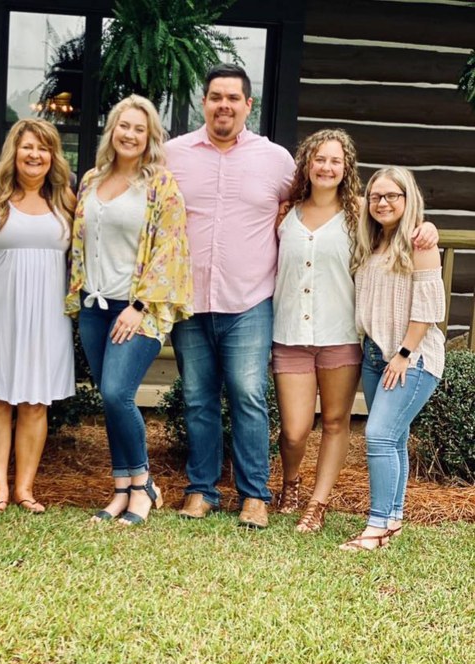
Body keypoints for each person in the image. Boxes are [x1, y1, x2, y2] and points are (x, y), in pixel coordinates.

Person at [273, 129, 440, 533]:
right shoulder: (285, 212)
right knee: (295, 431)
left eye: (335, 160)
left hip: (341, 336)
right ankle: (290, 485)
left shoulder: (357, 211)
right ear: (307, 164)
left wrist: (428, 226)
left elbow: (400, 210)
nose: (327, 167)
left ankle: (319, 504)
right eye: (319, 159)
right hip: (291, 333)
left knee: (337, 423)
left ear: (346, 168)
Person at [164, 64, 295, 528]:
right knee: (197, 397)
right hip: (190, 301)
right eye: (216, 96)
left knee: (248, 395)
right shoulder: (172, 154)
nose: (224, 105)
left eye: (233, 98)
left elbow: (314, 203)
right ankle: (201, 490)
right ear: (204, 102)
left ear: (247, 105)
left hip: (250, 299)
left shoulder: (276, 160)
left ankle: (254, 495)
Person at [66, 94, 193, 525]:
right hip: (94, 306)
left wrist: (138, 305)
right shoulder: (90, 180)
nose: (131, 135)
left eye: (140, 129)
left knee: (119, 393)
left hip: (137, 309)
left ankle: (143, 486)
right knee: (109, 399)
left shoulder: (160, 185)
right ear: (112, 129)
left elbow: (170, 249)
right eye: (125, 126)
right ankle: (121, 489)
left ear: (151, 137)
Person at [0, 119, 76, 514]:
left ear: (53, 156)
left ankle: (25, 488)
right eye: (28, 147)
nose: (35, 155)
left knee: (35, 402)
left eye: (43, 149)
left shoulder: (65, 199)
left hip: (47, 312)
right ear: (15, 150)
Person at [339, 167, 445, 551]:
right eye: (376, 196)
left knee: (379, 435)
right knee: (394, 438)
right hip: (373, 353)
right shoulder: (372, 240)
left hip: (410, 357)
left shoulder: (420, 242)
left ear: (407, 198)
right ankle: (393, 520)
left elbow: (429, 308)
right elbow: (338, 192)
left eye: (392, 196)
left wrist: (403, 354)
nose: (383, 203)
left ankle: (377, 526)